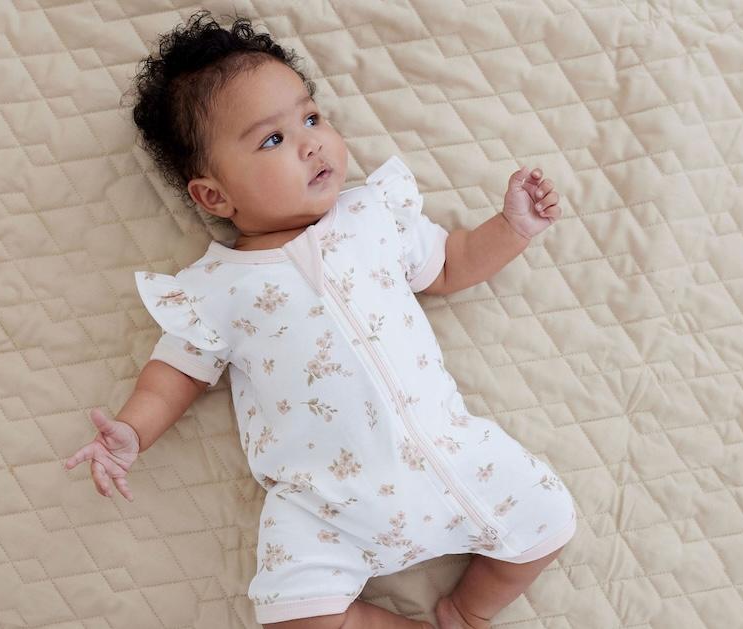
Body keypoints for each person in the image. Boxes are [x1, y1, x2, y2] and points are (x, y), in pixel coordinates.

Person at [64, 9, 570, 628]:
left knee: (549, 522)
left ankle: (466, 612)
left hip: (452, 459)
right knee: (292, 619)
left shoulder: (372, 217)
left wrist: (511, 228)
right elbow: (174, 373)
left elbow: (450, 265)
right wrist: (132, 432)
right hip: (325, 506)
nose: (310, 142)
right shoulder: (215, 286)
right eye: (273, 140)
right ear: (214, 197)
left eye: (310, 117)